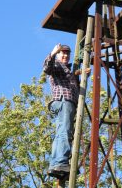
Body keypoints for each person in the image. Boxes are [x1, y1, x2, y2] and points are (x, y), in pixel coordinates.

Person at [43, 43, 90, 178]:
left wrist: (80, 73)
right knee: (65, 132)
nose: (65, 55)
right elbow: (47, 68)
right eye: (62, 53)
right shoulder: (56, 65)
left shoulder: (65, 69)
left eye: (67, 54)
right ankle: (61, 161)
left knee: (60, 133)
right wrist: (52, 53)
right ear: (58, 54)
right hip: (64, 100)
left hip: (64, 102)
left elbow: (70, 79)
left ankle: (55, 164)